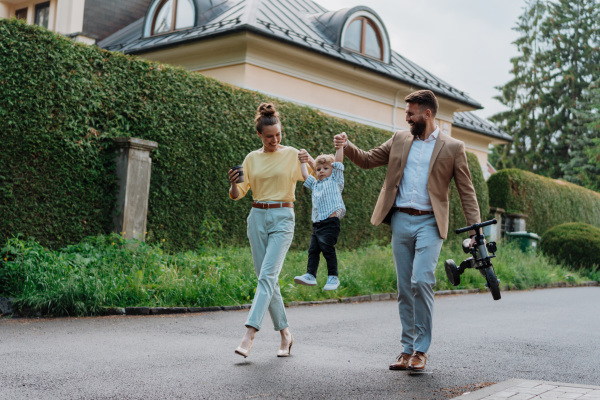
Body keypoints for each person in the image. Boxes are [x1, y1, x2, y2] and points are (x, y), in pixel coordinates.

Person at [334, 90, 481, 371]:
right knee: (404, 288)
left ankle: (421, 350)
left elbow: (466, 191)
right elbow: (366, 159)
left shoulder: (453, 147)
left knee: (421, 281)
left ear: (427, 114)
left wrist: (475, 230)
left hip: (430, 222)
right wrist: (347, 144)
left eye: (411, 113)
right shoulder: (400, 139)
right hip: (401, 219)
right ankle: (406, 350)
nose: (407, 117)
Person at [228, 102, 314, 359]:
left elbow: (315, 178)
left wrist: (308, 159)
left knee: (266, 276)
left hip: (283, 218)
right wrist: (233, 185)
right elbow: (238, 194)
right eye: (269, 137)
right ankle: (286, 334)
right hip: (256, 217)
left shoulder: (291, 155)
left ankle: (249, 334)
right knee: (267, 279)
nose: (274, 140)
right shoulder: (251, 159)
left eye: (278, 135)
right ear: (259, 136)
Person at [293, 145, 346, 291]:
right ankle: (310, 275)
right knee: (313, 250)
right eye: (318, 169)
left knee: (327, 248)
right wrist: (303, 162)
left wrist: (340, 147)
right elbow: (305, 175)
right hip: (317, 224)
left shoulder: (335, 180)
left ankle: (333, 277)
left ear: (333, 170)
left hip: (330, 222)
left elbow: (339, 162)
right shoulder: (315, 184)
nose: (321, 171)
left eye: (325, 168)